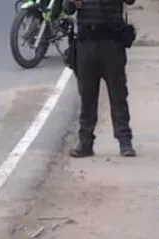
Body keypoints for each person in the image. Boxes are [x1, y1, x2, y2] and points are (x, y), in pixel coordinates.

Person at [63, 0, 136, 158]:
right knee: (87, 96)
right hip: (86, 43)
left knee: (118, 95)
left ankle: (125, 142)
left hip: (112, 43)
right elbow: (67, 9)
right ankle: (86, 142)